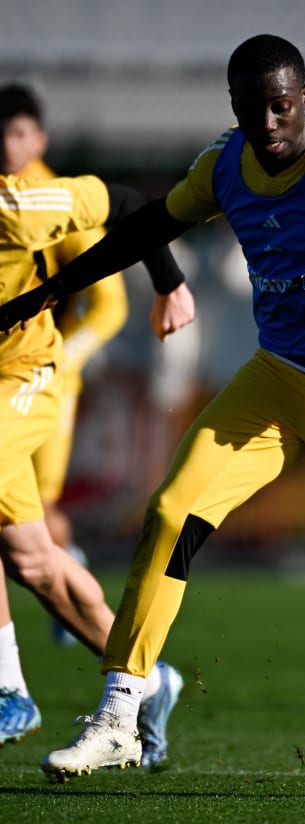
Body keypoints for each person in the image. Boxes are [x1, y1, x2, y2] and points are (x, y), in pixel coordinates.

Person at [0, 34, 305, 780]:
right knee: (170, 514)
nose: (268, 123)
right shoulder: (224, 165)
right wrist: (49, 291)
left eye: (281, 106)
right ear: (233, 106)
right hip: (276, 383)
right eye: (252, 107)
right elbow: (149, 223)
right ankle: (119, 713)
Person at [0, 168, 193, 768]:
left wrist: (170, 284)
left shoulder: (19, 205)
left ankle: (8, 689)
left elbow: (129, 203)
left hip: (23, 374)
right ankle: (152, 684)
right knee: (34, 564)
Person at [0, 83, 130, 646]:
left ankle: (12, 686)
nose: (8, 144)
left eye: (19, 132)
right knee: (32, 544)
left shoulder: (41, 202)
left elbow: (111, 303)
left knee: (44, 510)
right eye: (1, 133)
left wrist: (66, 364)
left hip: (39, 375)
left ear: (40, 138)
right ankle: (140, 674)